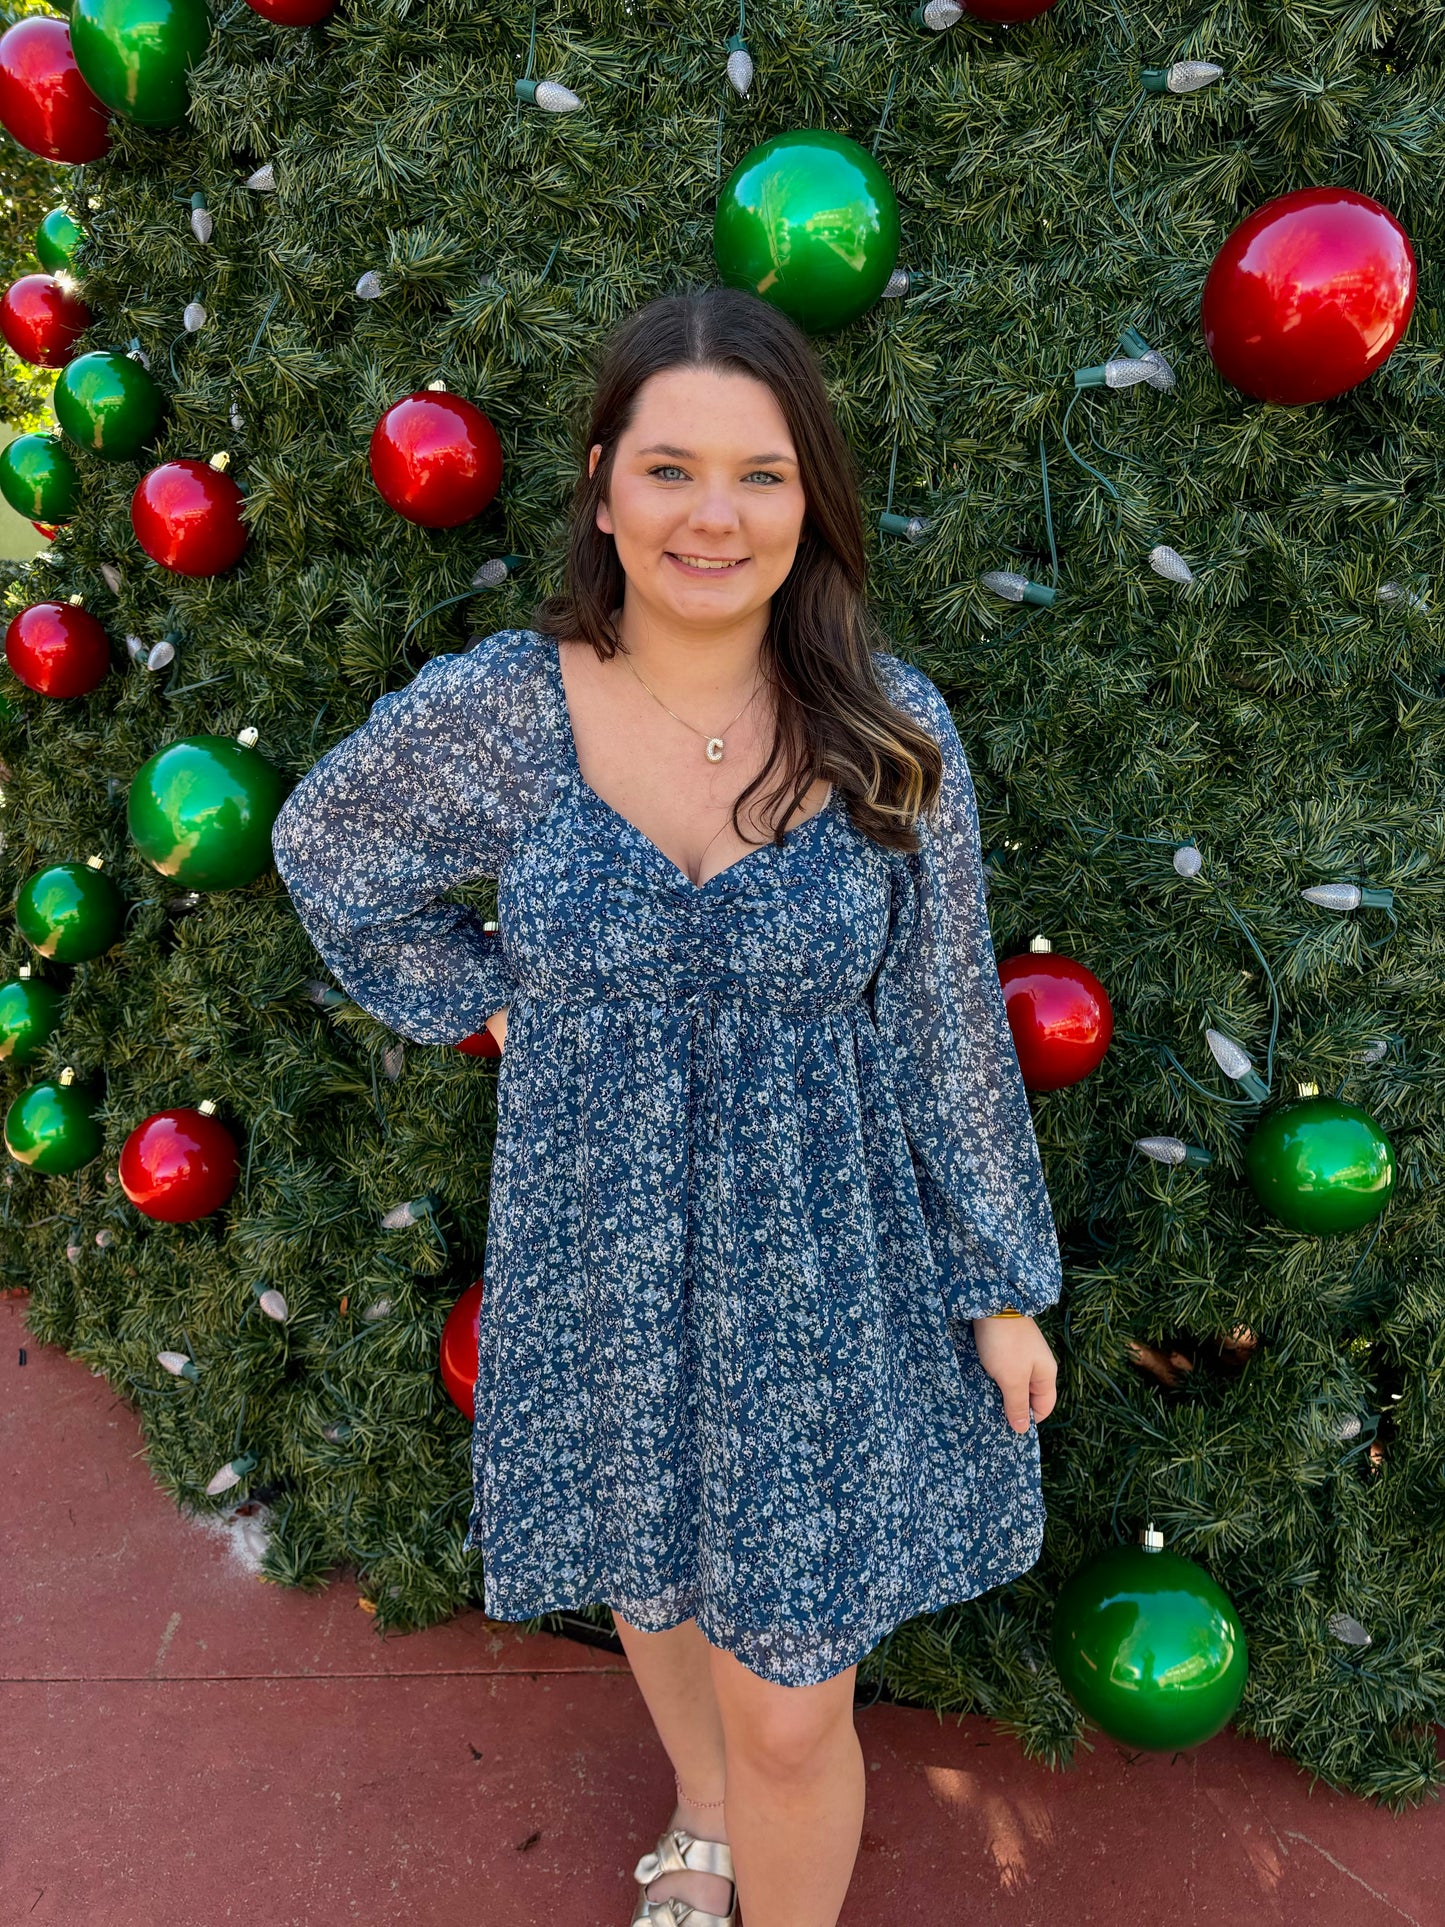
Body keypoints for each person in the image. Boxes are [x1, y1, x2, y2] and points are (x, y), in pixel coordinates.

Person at [270, 285, 1062, 1927]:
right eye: (671, 467)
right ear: (601, 480)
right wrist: (480, 992)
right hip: (595, 1239)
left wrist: (997, 1282)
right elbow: (330, 854)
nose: (714, 513)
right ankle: (696, 1815)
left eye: (762, 474)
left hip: (820, 1271)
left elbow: (943, 1030)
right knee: (648, 1565)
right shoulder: (509, 708)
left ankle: (751, 1830)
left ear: (811, 500)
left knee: (793, 1701)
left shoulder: (889, 731)